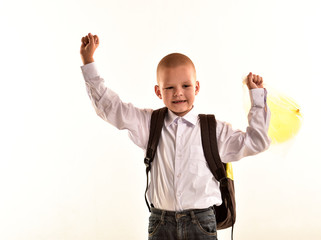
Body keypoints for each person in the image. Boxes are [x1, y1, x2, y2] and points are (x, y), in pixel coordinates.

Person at [80, 32, 271, 240]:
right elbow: (111, 108)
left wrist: (258, 97)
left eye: (186, 86)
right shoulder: (149, 123)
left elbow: (256, 142)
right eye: (169, 87)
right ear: (158, 91)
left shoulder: (214, 129)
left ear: (196, 87)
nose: (178, 92)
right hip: (161, 223)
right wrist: (88, 62)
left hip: (202, 223)